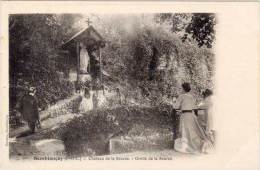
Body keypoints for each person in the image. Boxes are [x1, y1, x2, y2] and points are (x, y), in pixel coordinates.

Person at [173, 83, 213, 154]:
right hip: (192, 115)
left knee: (186, 131)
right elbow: (195, 107)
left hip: (185, 116)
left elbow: (176, 107)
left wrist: (174, 101)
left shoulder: (181, 96)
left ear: (183, 89)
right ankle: (200, 144)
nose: (180, 90)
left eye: (181, 88)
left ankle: (189, 145)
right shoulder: (191, 97)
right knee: (192, 131)